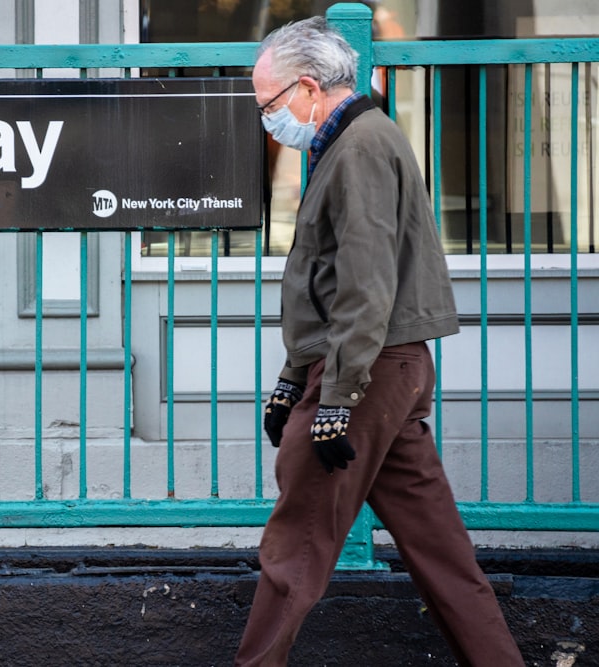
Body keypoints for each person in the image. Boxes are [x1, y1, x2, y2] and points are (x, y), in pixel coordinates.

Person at [235, 16, 525, 667]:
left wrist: (334, 396)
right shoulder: (353, 142)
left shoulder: (359, 148)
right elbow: (329, 280)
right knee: (441, 553)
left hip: (365, 372)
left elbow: (364, 285)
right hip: (383, 368)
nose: (270, 122)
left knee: (294, 544)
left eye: (271, 105)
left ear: (308, 88)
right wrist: (293, 375)